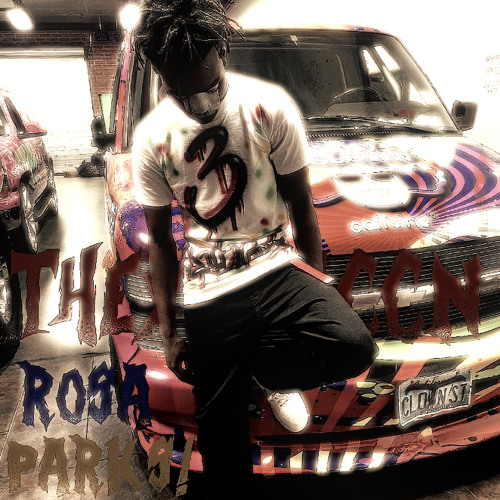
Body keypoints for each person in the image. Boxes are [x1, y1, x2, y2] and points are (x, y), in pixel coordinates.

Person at [132, 0, 378, 497]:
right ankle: (236, 370)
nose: (200, 104)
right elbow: (159, 241)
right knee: (221, 447)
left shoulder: (267, 108)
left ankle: (266, 372)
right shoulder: (151, 140)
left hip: (275, 264)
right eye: (182, 93)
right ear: (160, 75)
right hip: (208, 287)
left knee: (353, 345)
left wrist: (318, 283)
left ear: (222, 54)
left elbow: (301, 204)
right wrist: (171, 331)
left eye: (210, 86)